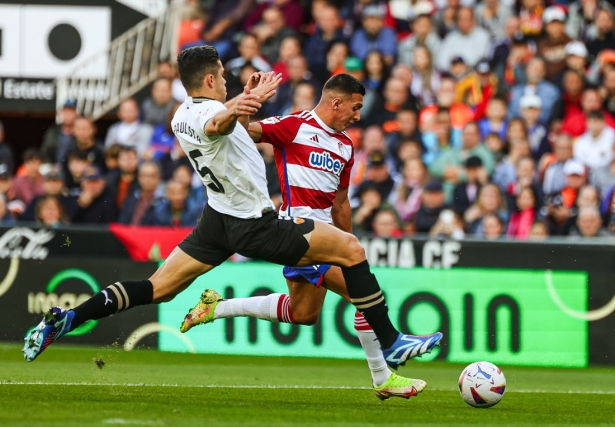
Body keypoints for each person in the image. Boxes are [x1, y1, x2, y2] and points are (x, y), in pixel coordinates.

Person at [24, 47, 442, 380]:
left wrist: (246, 99)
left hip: (216, 220)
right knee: (350, 249)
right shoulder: (212, 115)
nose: (227, 81)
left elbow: (223, 122)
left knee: (157, 288)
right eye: (223, 76)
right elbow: (219, 124)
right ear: (210, 79)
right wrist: (244, 102)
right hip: (253, 224)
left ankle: (68, 318)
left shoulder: (179, 115)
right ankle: (390, 342)